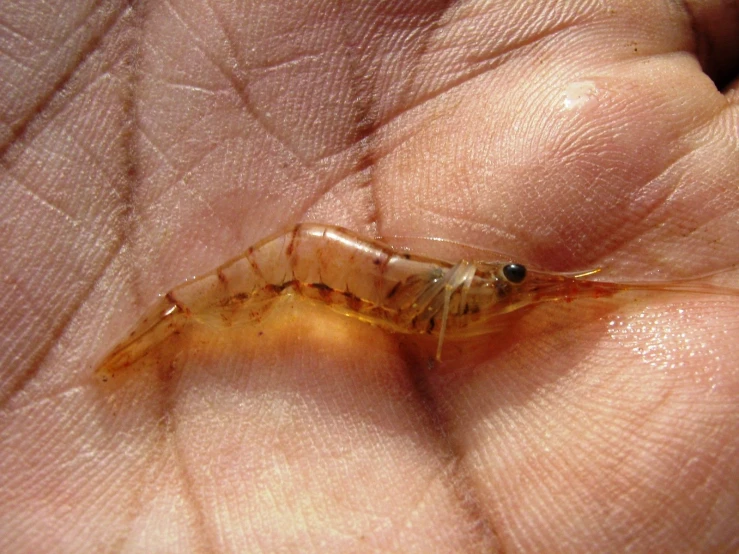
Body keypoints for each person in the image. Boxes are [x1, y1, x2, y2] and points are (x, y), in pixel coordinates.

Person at [1, 1, 737, 551]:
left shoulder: (465, 292)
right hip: (289, 273)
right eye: (509, 278)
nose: (519, 284)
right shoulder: (441, 302)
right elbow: (422, 319)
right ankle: (155, 340)